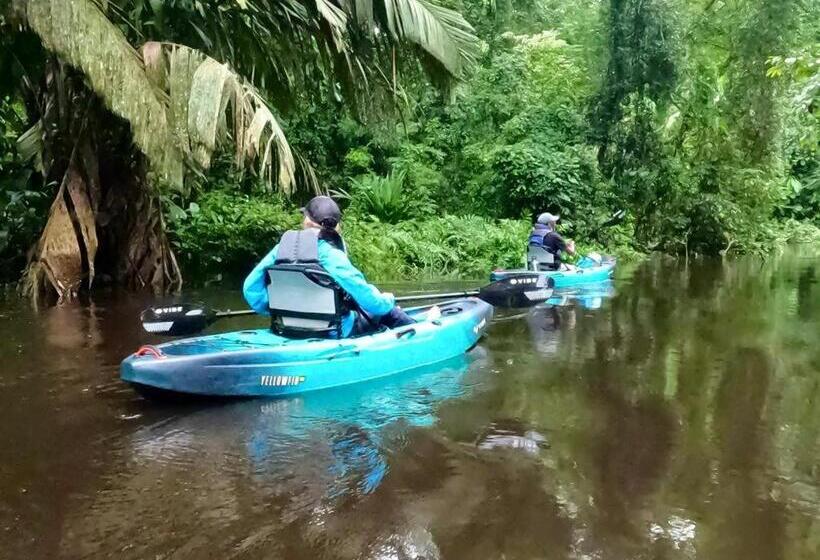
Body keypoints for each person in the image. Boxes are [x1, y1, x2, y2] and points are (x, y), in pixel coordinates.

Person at [243, 195, 416, 337]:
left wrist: (277, 309)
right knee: (386, 311)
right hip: (334, 332)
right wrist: (388, 299)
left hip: (286, 328)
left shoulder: (280, 250)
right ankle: (420, 329)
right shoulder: (332, 256)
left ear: (306, 220)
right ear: (336, 227)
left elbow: (251, 289)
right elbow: (372, 303)